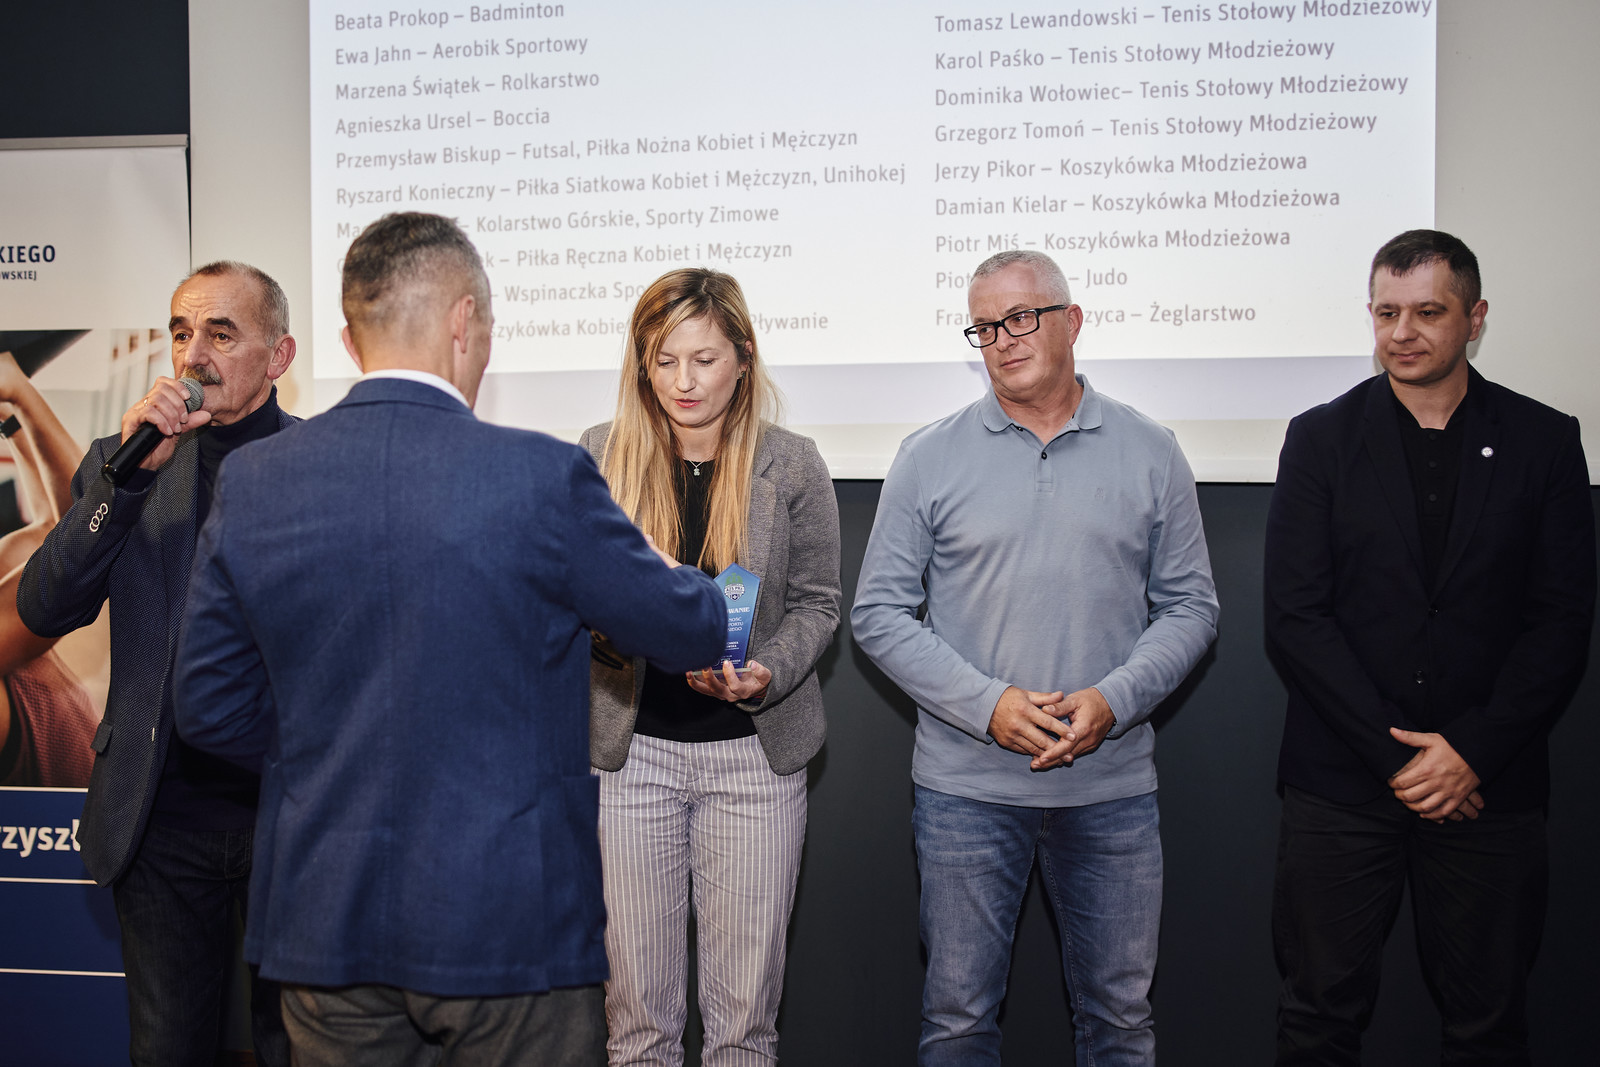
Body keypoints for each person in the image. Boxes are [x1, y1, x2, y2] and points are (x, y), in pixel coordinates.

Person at [171, 212, 727, 1067]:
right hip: (508, 919)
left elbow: (208, 702)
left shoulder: (255, 479)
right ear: (465, 322)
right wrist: (657, 562)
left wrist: (328, 750)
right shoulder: (541, 476)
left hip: (324, 917)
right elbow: (692, 629)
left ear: (351, 340)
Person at [852, 249, 1219, 1065]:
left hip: (1111, 790)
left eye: (1021, 317)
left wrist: (1115, 699)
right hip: (966, 793)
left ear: (1072, 321)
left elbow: (1193, 607)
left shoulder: (1152, 450)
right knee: (957, 1021)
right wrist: (989, 706)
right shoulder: (927, 455)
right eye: (985, 327)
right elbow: (876, 612)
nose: (1003, 340)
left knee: (1120, 1021)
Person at [1264, 229, 1595, 1064]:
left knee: (1489, 1026)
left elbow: (1561, 621)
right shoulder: (1319, 437)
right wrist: (1402, 761)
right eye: (1386, 313)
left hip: (1487, 787)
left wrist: (1470, 752)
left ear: (1475, 318)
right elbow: (1296, 616)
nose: (1401, 332)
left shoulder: (1545, 440)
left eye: (1427, 312)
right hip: (1342, 787)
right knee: (1317, 1020)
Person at [18, 262, 296, 1066]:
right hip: (159, 821)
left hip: (289, 819)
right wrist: (127, 483)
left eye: (221, 333)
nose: (193, 354)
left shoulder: (321, 462)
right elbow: (44, 605)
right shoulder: (123, 460)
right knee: (169, 1049)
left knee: (292, 1048)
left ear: (278, 356)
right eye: (181, 332)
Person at [580, 267, 841, 1066]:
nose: (683, 382)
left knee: (743, 1031)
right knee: (639, 1028)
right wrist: (625, 630)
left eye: (704, 359)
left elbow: (819, 604)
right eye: (664, 361)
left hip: (754, 764)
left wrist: (768, 670)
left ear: (743, 358)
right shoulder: (599, 456)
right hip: (630, 762)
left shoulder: (791, 463)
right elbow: (572, 598)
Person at [0, 348, 102, 787]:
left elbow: (56, 527)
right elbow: (88, 537)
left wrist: (12, 414)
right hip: (76, 826)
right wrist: (17, 388)